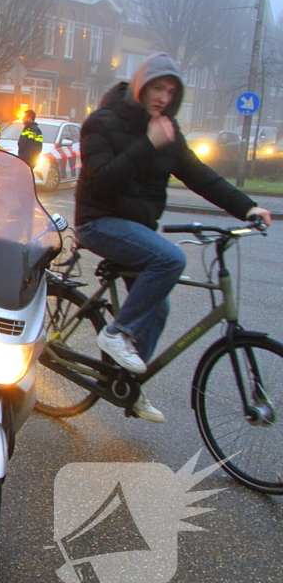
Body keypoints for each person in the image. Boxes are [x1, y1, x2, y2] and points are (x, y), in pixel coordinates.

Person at [75, 52, 272, 423]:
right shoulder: (102, 122)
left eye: (170, 90)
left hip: (137, 230)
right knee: (169, 258)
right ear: (140, 86)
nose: (162, 97)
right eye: (156, 87)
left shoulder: (168, 130)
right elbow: (101, 179)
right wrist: (147, 143)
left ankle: (126, 384)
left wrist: (246, 207)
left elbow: (198, 174)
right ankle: (116, 334)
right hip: (98, 222)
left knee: (158, 307)